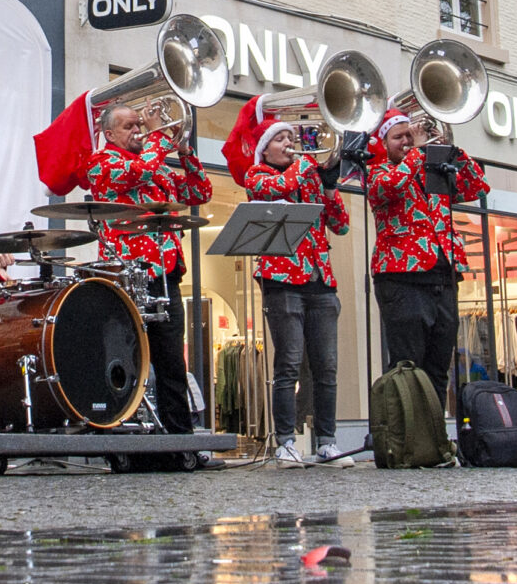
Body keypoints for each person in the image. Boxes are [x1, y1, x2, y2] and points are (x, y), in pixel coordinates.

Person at [85, 100, 215, 436]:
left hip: (166, 271)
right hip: (129, 271)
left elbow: (201, 190)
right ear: (108, 133)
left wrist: (184, 151)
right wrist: (160, 136)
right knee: (128, 357)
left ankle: (180, 437)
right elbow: (135, 174)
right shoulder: (102, 162)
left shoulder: (155, 165)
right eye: (130, 126)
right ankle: (123, 431)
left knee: (172, 359)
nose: (139, 131)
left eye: (140, 126)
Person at [365, 109, 489, 408]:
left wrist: (451, 149)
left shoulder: (433, 171)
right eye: (399, 137)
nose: (407, 141)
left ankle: (433, 440)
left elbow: (477, 186)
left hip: (443, 274)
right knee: (407, 365)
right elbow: (390, 187)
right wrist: (419, 152)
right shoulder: (378, 171)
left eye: (411, 134)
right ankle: (408, 439)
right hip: (402, 276)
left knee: (438, 363)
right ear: (384, 143)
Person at [243, 121, 349, 467]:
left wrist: (331, 188)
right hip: (282, 279)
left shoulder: (310, 177)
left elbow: (341, 224)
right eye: (281, 139)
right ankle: (286, 441)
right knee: (288, 364)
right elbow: (282, 186)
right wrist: (306, 162)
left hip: (320, 279)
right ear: (265, 148)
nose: (289, 144)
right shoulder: (257, 176)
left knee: (326, 367)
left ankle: (327, 442)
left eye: (292, 138)